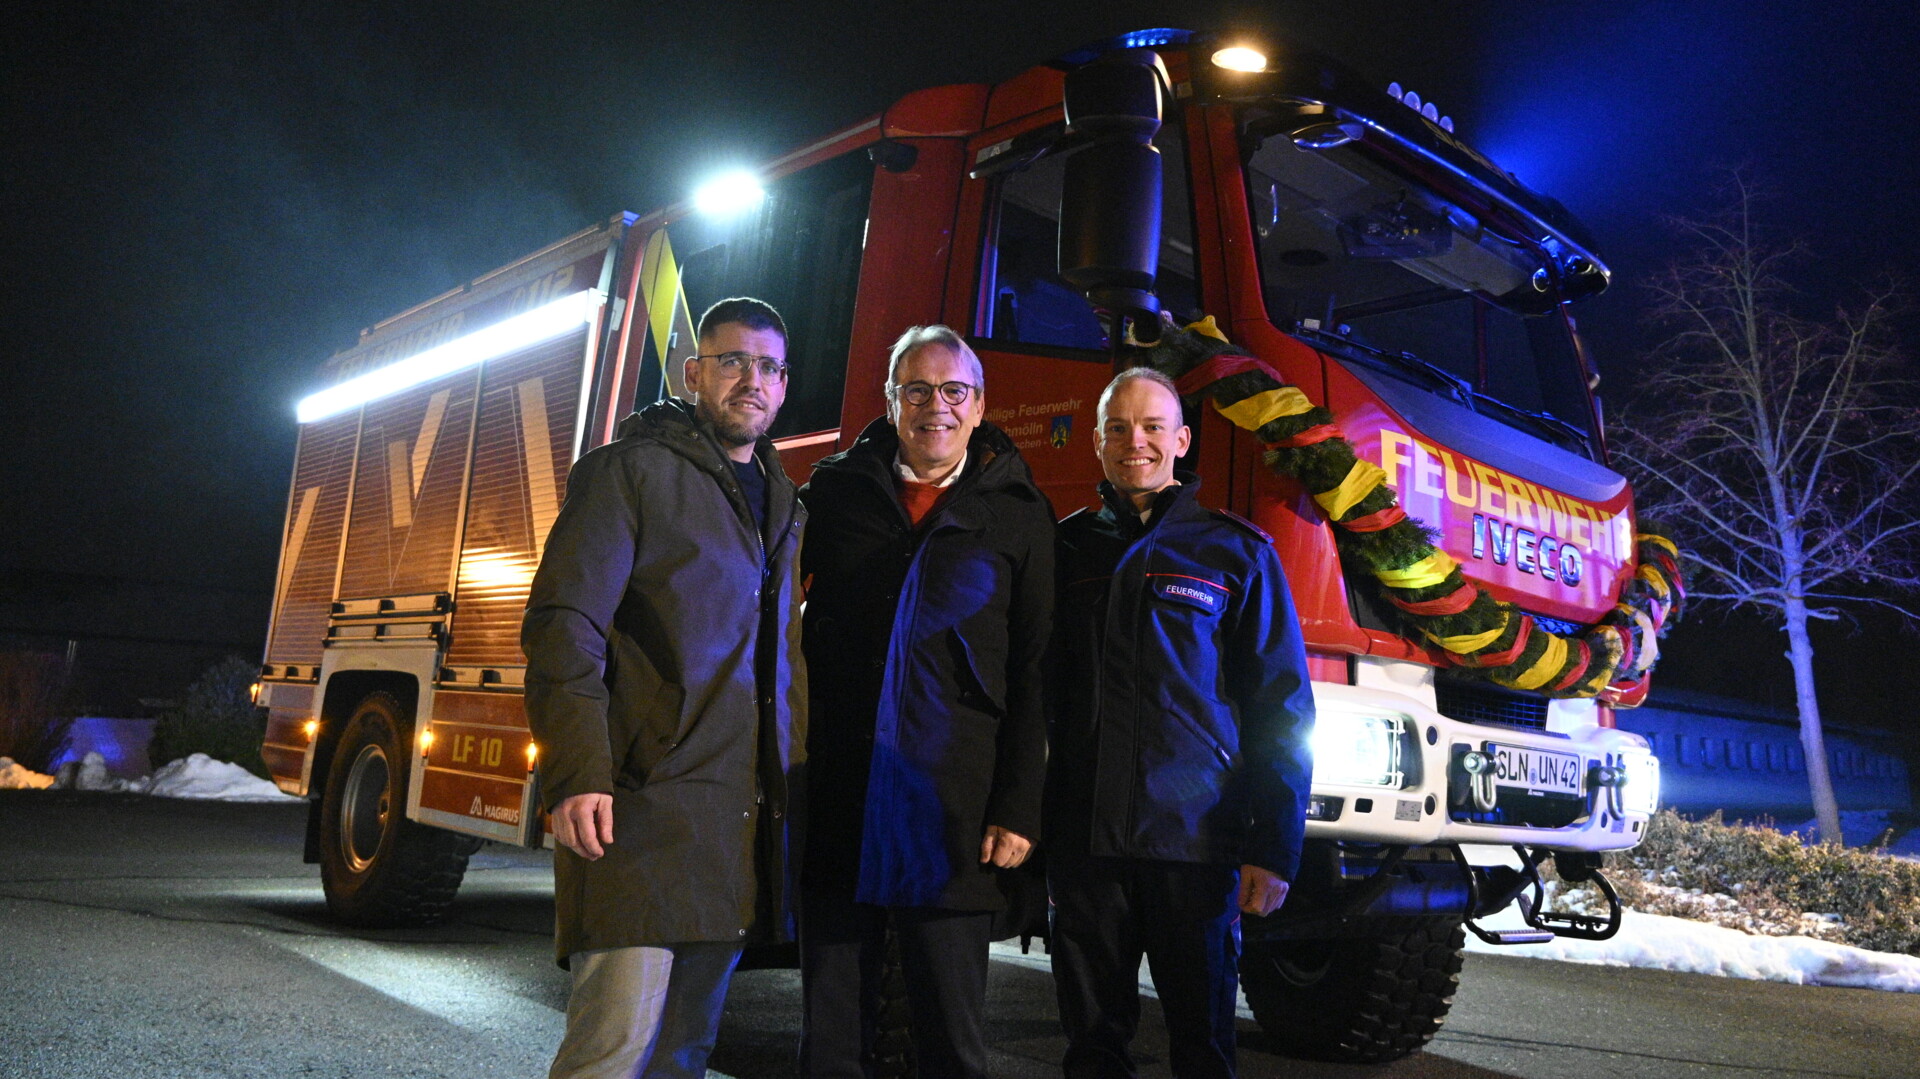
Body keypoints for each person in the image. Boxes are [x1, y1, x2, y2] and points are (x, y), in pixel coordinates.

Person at [522, 297, 807, 1079]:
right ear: (694, 374)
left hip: (732, 828)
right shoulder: (628, 473)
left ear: (784, 388)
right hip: (639, 811)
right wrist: (578, 775)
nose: (753, 379)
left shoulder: (784, 506)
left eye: (769, 367)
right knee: (612, 1051)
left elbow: (784, 667)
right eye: (733, 361)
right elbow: (562, 625)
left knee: (683, 1054)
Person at [796, 325, 1053, 1079]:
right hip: (843, 797)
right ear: (890, 401)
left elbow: (1037, 667)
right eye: (916, 389)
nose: (933, 406)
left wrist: (1019, 804)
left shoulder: (1018, 511)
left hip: (954, 812)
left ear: (978, 407)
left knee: (952, 1041)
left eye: (952, 392)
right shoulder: (835, 491)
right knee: (832, 1039)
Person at [1046, 367, 1316, 1079]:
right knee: (1092, 1049)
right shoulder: (1065, 548)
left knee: (1202, 1049)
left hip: (1195, 848)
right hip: (1087, 848)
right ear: (1098, 443)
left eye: (1152, 426)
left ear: (1181, 440)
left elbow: (1282, 709)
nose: (1134, 440)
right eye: (1117, 427)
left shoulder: (1237, 553)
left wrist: (1275, 845)